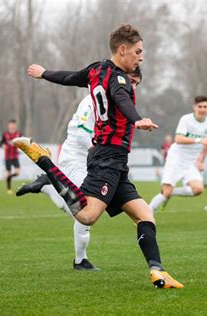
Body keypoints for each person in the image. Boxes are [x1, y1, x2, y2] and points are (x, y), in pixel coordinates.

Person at [13, 24, 182, 288]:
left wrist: (44, 73)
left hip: (112, 159)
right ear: (123, 49)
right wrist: (136, 120)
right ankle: (45, 164)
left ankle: (158, 271)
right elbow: (121, 98)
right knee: (87, 216)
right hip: (108, 157)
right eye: (138, 52)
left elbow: (70, 78)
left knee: (145, 214)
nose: (141, 57)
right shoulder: (120, 79)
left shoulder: (96, 69)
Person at [16, 69, 142, 271]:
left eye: (137, 84)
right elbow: (78, 129)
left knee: (88, 211)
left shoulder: (121, 105)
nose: (133, 87)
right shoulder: (94, 98)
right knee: (84, 210)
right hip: (76, 156)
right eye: (131, 82)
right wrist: (100, 150)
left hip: (97, 159)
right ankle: (80, 259)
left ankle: (48, 186)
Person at [149, 96, 207, 213]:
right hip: (176, 158)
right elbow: (178, 139)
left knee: (198, 189)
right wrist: (198, 140)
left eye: (205, 107)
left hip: (191, 162)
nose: (202, 109)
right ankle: (146, 216)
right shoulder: (186, 119)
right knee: (166, 193)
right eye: (199, 106)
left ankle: (169, 192)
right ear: (194, 107)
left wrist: (200, 161)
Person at [0, 119, 22, 194]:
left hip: (15, 157)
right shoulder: (5, 134)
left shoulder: (19, 134)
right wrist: (3, 146)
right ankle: (9, 189)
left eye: (13, 125)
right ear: (8, 126)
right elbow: (0, 143)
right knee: (8, 172)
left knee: (17, 172)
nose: (12, 126)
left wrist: (20, 148)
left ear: (15, 126)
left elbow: (23, 143)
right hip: (7, 157)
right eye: (11, 125)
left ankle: (8, 177)